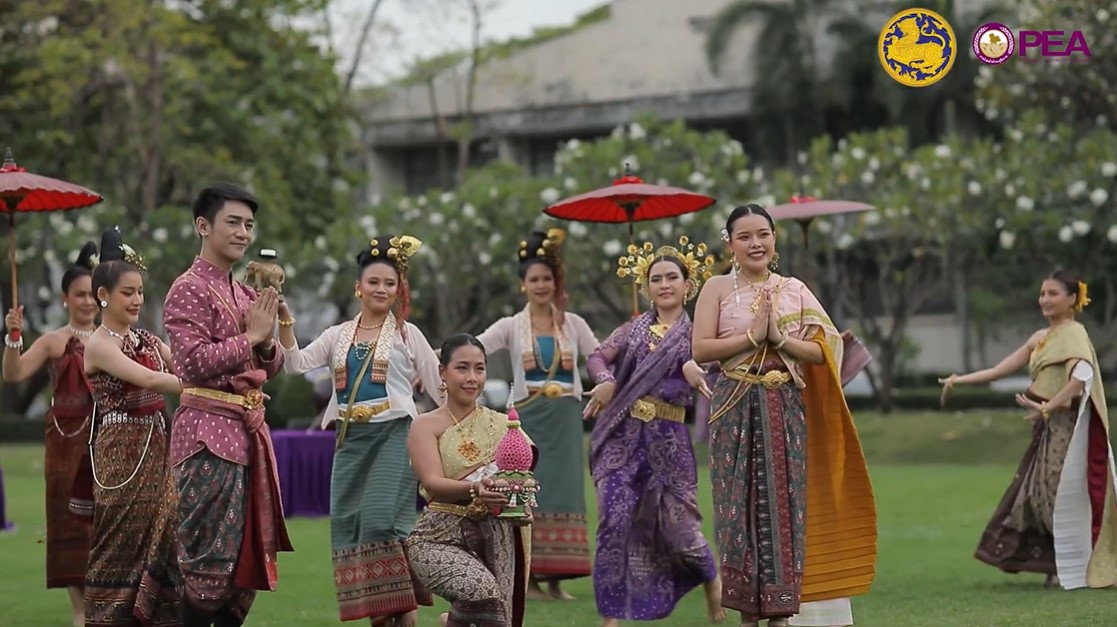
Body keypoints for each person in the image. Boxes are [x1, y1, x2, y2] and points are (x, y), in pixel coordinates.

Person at [692, 204, 877, 627]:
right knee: (736, 507)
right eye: (744, 236)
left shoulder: (794, 289)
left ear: (775, 239)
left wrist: (779, 338)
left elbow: (823, 351)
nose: (755, 243)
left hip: (784, 408)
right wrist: (750, 336)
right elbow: (700, 349)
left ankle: (780, 613)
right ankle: (747, 615)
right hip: (735, 404)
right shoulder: (717, 289)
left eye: (763, 234)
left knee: (785, 507)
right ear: (730, 242)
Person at [278, 234, 441, 626]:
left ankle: (404, 606)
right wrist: (284, 319)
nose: (381, 289)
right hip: (350, 439)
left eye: (389, 283)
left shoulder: (407, 334)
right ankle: (382, 614)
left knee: (383, 519)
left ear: (398, 288)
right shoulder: (337, 335)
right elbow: (295, 364)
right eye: (373, 282)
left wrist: (472, 419)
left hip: (396, 435)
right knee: (351, 524)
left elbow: (438, 385)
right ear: (358, 287)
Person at [163, 183, 291, 627]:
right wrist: (252, 338)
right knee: (208, 565)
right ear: (203, 225)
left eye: (249, 225)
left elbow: (268, 366)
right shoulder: (187, 288)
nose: (243, 233)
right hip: (205, 436)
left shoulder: (244, 293)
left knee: (241, 567)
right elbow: (191, 363)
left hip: (246, 435)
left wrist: (268, 341)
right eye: (233, 222)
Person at [940, 270, 1117, 589]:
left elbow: (1080, 379)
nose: (1045, 300)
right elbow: (998, 370)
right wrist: (957, 380)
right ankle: (1060, 565)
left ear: (1072, 299)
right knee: (1037, 496)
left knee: (1058, 494)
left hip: (1068, 430)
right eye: (1042, 294)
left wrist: (1050, 405)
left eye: (1052, 293)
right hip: (1046, 428)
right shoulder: (1040, 337)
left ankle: (1073, 565)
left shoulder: (1074, 334)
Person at [583, 237, 725, 626]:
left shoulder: (696, 335)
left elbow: (708, 366)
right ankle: (610, 615)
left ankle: (712, 579)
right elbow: (597, 355)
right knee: (613, 522)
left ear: (687, 285)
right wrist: (606, 379)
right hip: (622, 440)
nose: (664, 284)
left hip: (669, 444)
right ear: (646, 288)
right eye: (656, 279)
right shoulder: (632, 330)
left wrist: (695, 368)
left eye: (672, 278)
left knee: (682, 533)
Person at [475, 228, 599, 600]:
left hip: (565, 418)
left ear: (555, 282)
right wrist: (429, 357)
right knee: (524, 493)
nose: (541, 285)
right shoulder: (512, 326)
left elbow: (600, 356)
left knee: (564, 494)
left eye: (547, 278)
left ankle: (557, 579)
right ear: (523, 285)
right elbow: (474, 347)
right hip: (528, 421)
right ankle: (527, 580)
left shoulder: (573, 323)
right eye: (534, 279)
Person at [82, 226, 183, 626]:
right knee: (118, 543)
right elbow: (151, 380)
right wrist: (198, 390)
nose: (137, 300)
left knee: (164, 538)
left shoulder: (148, 339)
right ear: (103, 296)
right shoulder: (99, 344)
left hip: (157, 448)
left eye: (140, 291)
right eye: (128, 292)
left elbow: (185, 366)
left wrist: (228, 383)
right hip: (119, 457)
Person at [406, 333, 535, 627]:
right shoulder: (425, 425)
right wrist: (475, 488)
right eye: (462, 368)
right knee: (482, 591)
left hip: (497, 532)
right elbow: (433, 482)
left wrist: (520, 500)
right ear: (442, 372)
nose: (472, 377)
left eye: (480, 368)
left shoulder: (503, 425)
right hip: (438, 536)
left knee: (497, 621)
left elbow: (522, 475)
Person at [3, 241, 99, 627]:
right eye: (79, 295)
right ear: (65, 299)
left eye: (93, 294)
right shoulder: (52, 341)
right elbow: (13, 374)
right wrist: (13, 336)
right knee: (67, 524)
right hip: (62, 446)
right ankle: (80, 611)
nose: (87, 302)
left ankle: (105, 605)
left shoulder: (115, 341)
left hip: (105, 444)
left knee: (106, 527)